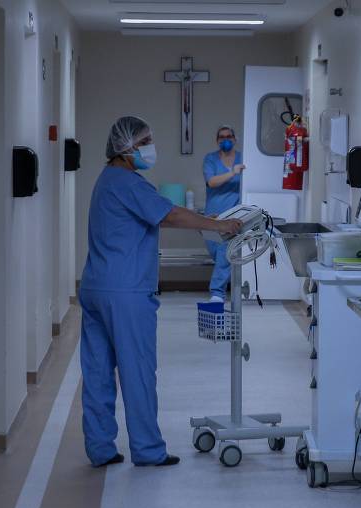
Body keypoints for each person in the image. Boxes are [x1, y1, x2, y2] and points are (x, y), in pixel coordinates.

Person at [79, 116, 242, 468]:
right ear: (126, 147)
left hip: (94, 286)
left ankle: (100, 448)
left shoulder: (106, 180)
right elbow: (169, 216)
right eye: (145, 141)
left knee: (96, 371)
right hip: (125, 291)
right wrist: (219, 225)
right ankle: (148, 449)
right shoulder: (129, 183)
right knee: (136, 369)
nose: (150, 147)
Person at [202, 125, 245, 302]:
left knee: (225, 252)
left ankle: (217, 293)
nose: (225, 139)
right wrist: (232, 173)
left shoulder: (243, 158)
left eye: (229, 136)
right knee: (217, 253)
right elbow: (211, 182)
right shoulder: (210, 159)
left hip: (233, 216)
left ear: (235, 139)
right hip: (212, 216)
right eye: (222, 137)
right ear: (217, 141)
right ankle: (223, 288)